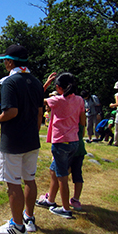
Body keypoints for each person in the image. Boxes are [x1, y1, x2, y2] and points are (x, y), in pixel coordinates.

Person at [0, 44, 44, 234]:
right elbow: (39, 114)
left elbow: (11, 112)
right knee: (29, 179)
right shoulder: (36, 82)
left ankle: (17, 227)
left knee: (13, 183)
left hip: (13, 142)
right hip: (32, 140)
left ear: (10, 62)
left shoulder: (9, 83)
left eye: (5, 60)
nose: (4, 63)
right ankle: (29, 218)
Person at [36, 73, 86, 219]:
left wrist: (45, 84)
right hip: (74, 142)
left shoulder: (56, 100)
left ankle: (65, 209)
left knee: (62, 177)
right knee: (54, 171)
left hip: (61, 143)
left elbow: (37, 99)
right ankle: (50, 200)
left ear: (58, 87)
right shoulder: (79, 100)